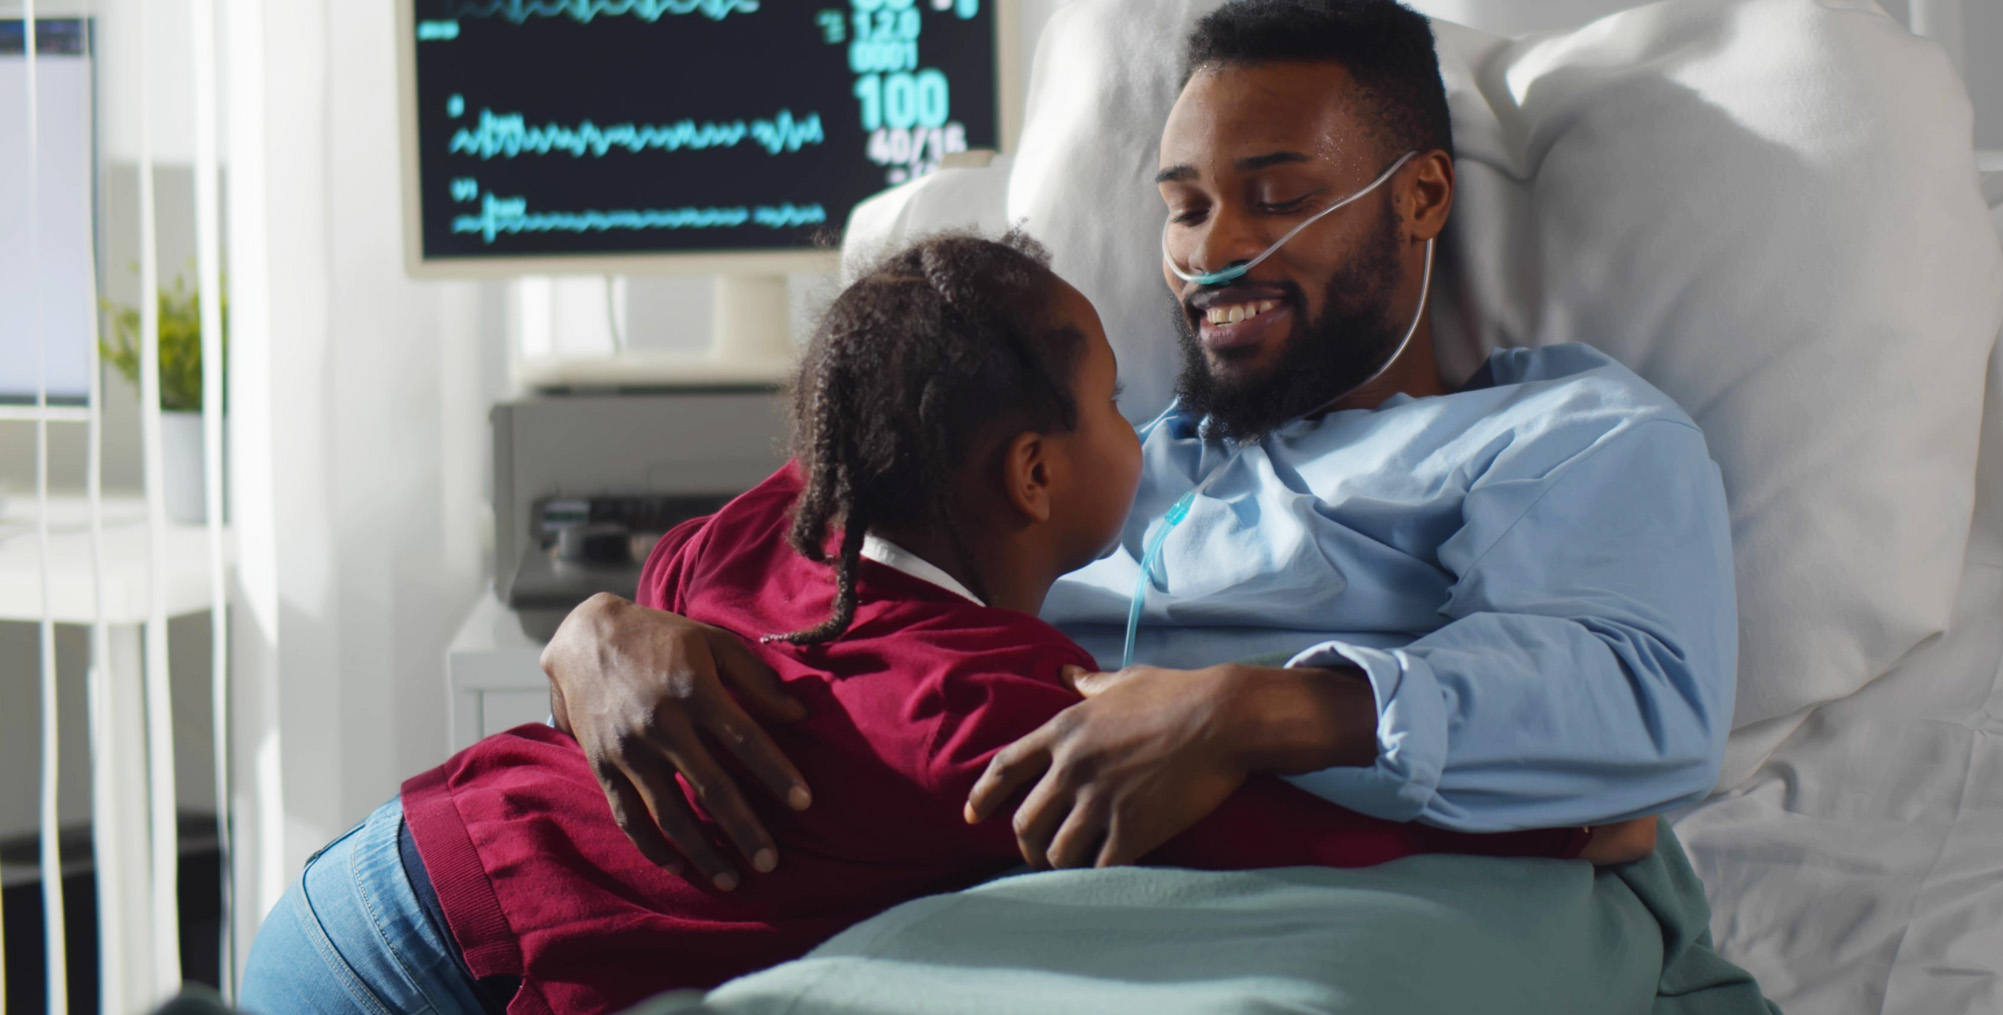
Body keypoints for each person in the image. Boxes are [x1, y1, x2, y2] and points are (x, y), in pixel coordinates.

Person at [240, 233, 1639, 1015]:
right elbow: (1286, 818)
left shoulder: (785, 532)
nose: (1139, 426)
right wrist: (1577, 820)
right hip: (414, 969)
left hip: (366, 873)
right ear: (1033, 473)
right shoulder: (986, 714)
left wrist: (612, 620)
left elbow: (676, 567)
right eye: (1105, 408)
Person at [546, 0, 1734, 892]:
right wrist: (604, 628)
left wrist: (1245, 711)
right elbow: (801, 541)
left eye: (1274, 197)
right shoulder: (1070, 445)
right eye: (1184, 205)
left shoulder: (1558, 437)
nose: (1213, 252)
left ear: (1420, 197)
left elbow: (1636, 698)